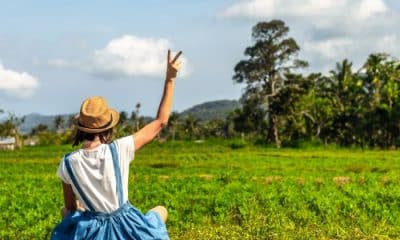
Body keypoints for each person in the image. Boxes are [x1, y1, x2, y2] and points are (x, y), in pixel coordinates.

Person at [51, 50, 182, 240]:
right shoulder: (120, 148)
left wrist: (82, 207)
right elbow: (160, 121)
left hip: (93, 232)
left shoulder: (68, 163)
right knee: (160, 210)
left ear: (81, 127)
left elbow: (70, 208)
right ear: (108, 128)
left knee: (66, 212)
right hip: (128, 226)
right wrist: (170, 78)